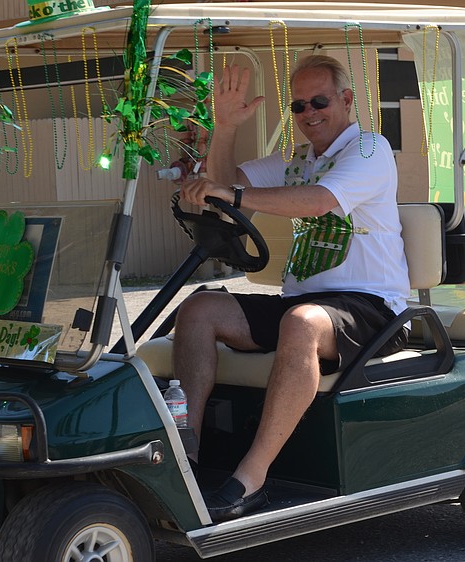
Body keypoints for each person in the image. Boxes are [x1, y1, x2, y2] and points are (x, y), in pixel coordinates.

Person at [175, 55, 411, 522]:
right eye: (300, 105)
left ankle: (251, 478)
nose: (309, 113)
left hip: (371, 308)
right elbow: (225, 185)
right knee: (200, 309)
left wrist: (233, 196)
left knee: (300, 324)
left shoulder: (369, 149)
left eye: (319, 101)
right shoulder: (298, 159)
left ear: (345, 100)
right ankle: (188, 458)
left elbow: (320, 202)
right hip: (305, 304)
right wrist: (224, 129)